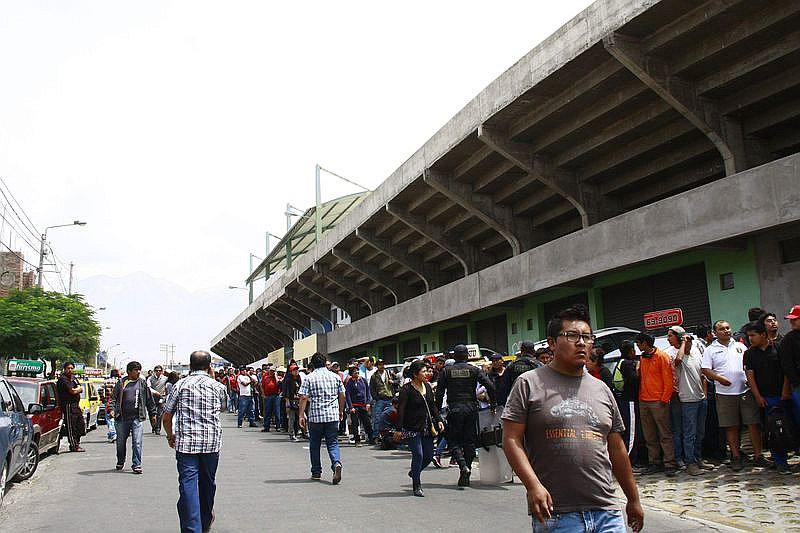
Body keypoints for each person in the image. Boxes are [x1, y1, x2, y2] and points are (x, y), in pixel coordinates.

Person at [502, 304, 643, 533]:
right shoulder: (529, 383)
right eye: (572, 336)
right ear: (551, 342)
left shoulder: (601, 389)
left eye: (587, 337)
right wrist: (533, 486)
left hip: (607, 512)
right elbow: (511, 440)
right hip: (557, 515)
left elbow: (616, 448)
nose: (581, 343)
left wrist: (633, 499)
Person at [163, 350, 227, 533]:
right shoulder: (218, 387)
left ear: (190, 366)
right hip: (211, 444)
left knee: (188, 485)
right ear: (209, 367)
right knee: (208, 483)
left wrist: (170, 435)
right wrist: (213, 379)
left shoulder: (180, 385)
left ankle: (192, 528)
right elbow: (223, 408)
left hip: (186, 445)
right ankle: (206, 519)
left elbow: (166, 416)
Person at [701, 320, 767, 471]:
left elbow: (749, 365)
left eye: (727, 328)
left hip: (745, 391)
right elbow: (705, 369)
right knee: (731, 426)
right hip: (725, 393)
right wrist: (719, 378)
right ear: (715, 333)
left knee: (753, 423)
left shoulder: (740, 345)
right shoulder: (710, 350)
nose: (726, 331)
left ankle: (758, 456)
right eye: (722, 329)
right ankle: (736, 456)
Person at [435, 343, 496, 488]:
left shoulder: (446, 371)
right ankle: (466, 469)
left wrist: (437, 413)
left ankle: (463, 466)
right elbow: (490, 386)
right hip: (471, 409)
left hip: (455, 409)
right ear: (467, 356)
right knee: (469, 441)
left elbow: (439, 393)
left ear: (454, 356)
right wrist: (493, 403)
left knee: (452, 439)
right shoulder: (474, 370)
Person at [744, 321, 792, 474]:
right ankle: (780, 462)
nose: (750, 338)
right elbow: (750, 376)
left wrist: (785, 390)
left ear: (763, 334)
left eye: (753, 335)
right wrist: (758, 396)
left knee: (791, 427)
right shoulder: (749, 354)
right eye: (749, 336)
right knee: (774, 431)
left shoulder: (778, 347)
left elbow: (786, 370)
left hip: (784, 395)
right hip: (767, 399)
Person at [396, 359, 443, 497]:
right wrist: (399, 429)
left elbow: (432, 406)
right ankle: (417, 485)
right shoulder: (406, 389)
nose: (427, 374)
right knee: (418, 455)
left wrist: (438, 420)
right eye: (423, 372)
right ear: (416, 374)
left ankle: (414, 472)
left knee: (428, 456)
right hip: (411, 428)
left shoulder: (427, 387)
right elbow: (401, 410)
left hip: (426, 426)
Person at [298, 352, 346, 484]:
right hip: (332, 415)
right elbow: (342, 395)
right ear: (325, 363)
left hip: (316, 417)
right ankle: (336, 463)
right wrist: (341, 410)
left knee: (315, 445)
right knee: (333, 443)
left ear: (312, 364)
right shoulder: (335, 377)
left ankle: (316, 472)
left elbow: (303, 397)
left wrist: (301, 415)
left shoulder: (309, 378)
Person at [635, 332, 677, 476]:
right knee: (649, 435)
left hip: (658, 401)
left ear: (645, 343)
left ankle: (670, 463)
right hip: (644, 400)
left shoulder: (662, 356)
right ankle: (654, 462)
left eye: (639, 343)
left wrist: (664, 399)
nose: (637, 346)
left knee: (665, 433)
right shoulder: (642, 357)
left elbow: (669, 379)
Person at [671, 328, 712, 476]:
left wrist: (705, 395)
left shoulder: (696, 353)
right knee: (689, 433)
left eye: (689, 342)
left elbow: (703, 375)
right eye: (685, 341)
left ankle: (698, 458)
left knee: (700, 432)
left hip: (701, 398)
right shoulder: (677, 355)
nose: (688, 344)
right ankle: (690, 463)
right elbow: (678, 360)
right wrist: (682, 344)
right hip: (687, 400)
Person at [110, 361, 157, 474]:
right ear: (129, 371)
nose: (138, 372)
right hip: (122, 418)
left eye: (139, 369)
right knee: (121, 442)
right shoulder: (121, 383)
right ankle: (121, 460)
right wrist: (112, 410)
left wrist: (153, 414)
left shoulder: (142, 383)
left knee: (137, 442)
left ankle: (136, 464)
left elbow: (149, 400)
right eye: (136, 370)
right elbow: (113, 398)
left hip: (137, 418)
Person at [614, 341, 644, 466]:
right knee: (631, 432)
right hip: (629, 400)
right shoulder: (627, 364)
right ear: (630, 351)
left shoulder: (620, 362)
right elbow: (634, 379)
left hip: (626, 400)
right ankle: (629, 462)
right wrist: (638, 367)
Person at [499, 340, 541, 406]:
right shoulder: (538, 365)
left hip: (517, 402)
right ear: (533, 351)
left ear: (521, 350)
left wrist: (503, 404)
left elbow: (504, 387)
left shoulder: (511, 365)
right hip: (535, 402)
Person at [56, 362, 86, 452]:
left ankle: (77, 443)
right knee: (71, 426)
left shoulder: (73, 378)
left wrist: (78, 389)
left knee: (80, 425)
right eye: (68, 368)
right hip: (68, 405)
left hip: (76, 405)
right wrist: (79, 389)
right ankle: (73, 445)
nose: (70, 370)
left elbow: (79, 386)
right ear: (64, 369)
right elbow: (72, 391)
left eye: (72, 368)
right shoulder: (63, 379)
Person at [779, 304, 800, 427]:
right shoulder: (788, 340)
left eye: (795, 319)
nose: (792, 322)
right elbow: (787, 365)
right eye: (791, 319)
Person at [345, 365, 373, 447]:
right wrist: (351, 407)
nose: (357, 373)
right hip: (354, 406)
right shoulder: (349, 382)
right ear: (351, 374)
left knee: (367, 423)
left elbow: (368, 392)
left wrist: (368, 402)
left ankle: (371, 439)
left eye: (357, 372)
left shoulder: (363, 380)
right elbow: (348, 395)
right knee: (355, 424)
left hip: (363, 405)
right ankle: (357, 440)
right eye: (354, 372)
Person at [370, 359, 394, 437]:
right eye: (380, 364)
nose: (382, 366)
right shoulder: (374, 376)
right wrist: (376, 398)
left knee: (390, 417)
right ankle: (376, 436)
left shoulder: (389, 373)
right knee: (377, 418)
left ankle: (389, 434)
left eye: (383, 364)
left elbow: (397, 381)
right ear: (377, 366)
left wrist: (393, 382)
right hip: (380, 399)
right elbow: (372, 388)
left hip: (389, 397)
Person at [282, 364, 303, 441]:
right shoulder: (287, 380)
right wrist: (287, 402)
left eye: (297, 370)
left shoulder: (299, 378)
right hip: (291, 401)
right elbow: (286, 392)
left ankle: (304, 432)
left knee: (303, 417)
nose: (296, 371)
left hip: (299, 400)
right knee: (292, 418)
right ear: (291, 371)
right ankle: (292, 434)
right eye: (294, 370)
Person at [148, 365, 168, 435]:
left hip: (161, 398)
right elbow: (148, 387)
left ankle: (158, 428)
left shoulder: (165, 379)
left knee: (160, 414)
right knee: (152, 413)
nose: (158, 372)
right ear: (154, 371)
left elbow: (168, 386)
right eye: (156, 370)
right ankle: (153, 426)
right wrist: (155, 392)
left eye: (159, 370)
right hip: (152, 398)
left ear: (162, 371)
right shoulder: (150, 379)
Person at [261, 367, 280, 432]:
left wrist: (275, 376)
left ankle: (278, 427)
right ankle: (266, 427)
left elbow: (278, 383)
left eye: (273, 371)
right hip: (268, 396)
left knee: (277, 412)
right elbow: (262, 386)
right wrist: (263, 394)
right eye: (271, 371)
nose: (272, 372)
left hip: (276, 396)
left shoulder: (277, 377)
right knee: (267, 412)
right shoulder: (265, 377)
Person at [104, 369, 121, 443]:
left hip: (108, 402)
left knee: (110, 419)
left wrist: (103, 399)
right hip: (118, 403)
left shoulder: (106, 382)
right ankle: (115, 434)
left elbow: (101, 391)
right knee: (116, 419)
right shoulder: (120, 382)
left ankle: (113, 434)